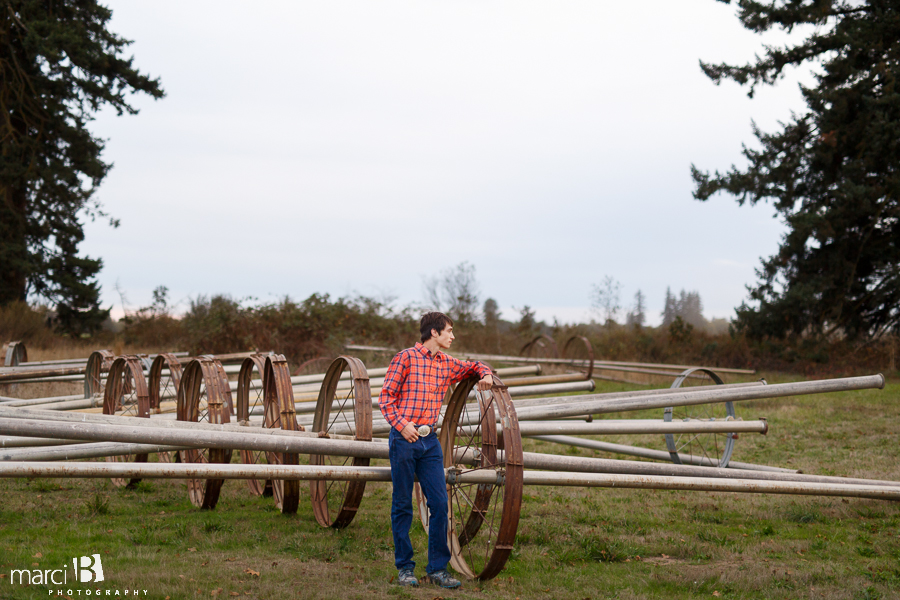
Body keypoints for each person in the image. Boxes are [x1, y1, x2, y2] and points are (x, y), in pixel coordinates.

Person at [378, 311, 494, 589]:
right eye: (449, 331)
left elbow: (473, 365)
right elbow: (385, 398)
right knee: (403, 504)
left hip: (430, 442)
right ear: (434, 332)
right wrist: (403, 425)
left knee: (440, 504)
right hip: (404, 439)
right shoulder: (405, 358)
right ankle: (405, 568)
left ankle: (438, 569)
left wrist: (486, 373)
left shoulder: (446, 364)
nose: (452, 336)